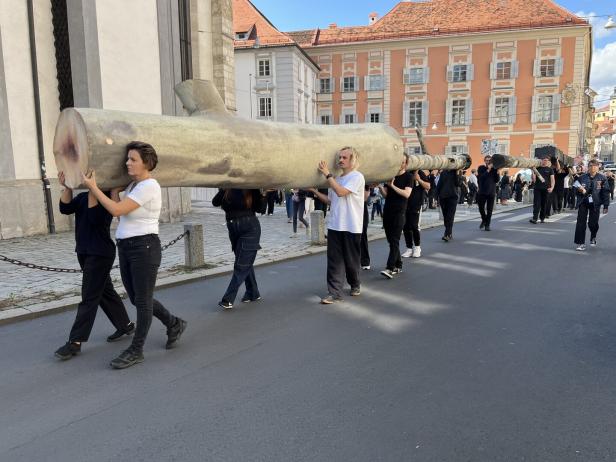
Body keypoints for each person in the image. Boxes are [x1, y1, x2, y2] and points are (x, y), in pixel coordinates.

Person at [81, 141, 187, 369]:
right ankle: (174, 323)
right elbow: (124, 216)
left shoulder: (149, 186)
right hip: (127, 247)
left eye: (133, 159)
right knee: (137, 298)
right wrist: (116, 192)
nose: (127, 163)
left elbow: (117, 211)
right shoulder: (132, 187)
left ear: (146, 163)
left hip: (144, 248)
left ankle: (136, 349)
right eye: (127, 158)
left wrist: (93, 187)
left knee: (142, 302)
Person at [54, 172, 134, 360]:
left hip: (100, 254)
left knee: (89, 297)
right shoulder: (83, 197)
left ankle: (75, 342)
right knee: (105, 291)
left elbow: (94, 218)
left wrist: (93, 188)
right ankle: (125, 325)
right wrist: (67, 187)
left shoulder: (106, 199)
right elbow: (64, 209)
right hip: (84, 252)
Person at [309, 147, 365, 304]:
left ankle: (355, 283)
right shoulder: (336, 179)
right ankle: (334, 293)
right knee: (334, 260)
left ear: (353, 160)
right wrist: (315, 191)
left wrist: (327, 174)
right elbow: (331, 200)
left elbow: (341, 192)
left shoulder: (357, 177)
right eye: (340, 157)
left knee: (351, 260)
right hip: (335, 224)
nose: (341, 160)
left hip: (351, 225)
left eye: (345, 157)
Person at [212, 188, 265, 307]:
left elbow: (261, 209)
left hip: (250, 229)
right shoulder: (228, 188)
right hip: (233, 229)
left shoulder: (252, 188)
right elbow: (215, 202)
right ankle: (253, 293)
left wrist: (263, 195)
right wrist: (222, 189)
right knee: (244, 261)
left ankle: (228, 299)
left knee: (241, 265)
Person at [379, 157, 412, 279]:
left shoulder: (409, 177)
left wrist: (392, 186)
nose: (400, 164)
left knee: (394, 240)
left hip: (399, 213)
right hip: (388, 211)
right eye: (399, 161)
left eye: (403, 162)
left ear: (406, 163)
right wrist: (381, 187)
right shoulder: (390, 175)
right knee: (391, 241)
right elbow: (386, 195)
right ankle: (398, 265)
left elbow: (407, 194)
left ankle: (390, 268)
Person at [573, 159, 610, 251]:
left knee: (593, 223)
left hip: (595, 203)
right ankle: (580, 243)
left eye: (594, 166)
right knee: (580, 223)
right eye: (590, 165)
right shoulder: (582, 177)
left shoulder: (602, 178)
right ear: (588, 167)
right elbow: (575, 187)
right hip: (583, 202)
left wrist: (606, 206)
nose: (592, 167)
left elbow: (605, 192)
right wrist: (579, 190)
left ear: (598, 167)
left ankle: (593, 236)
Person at [402, 169, 430, 258]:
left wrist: (419, 179)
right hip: (405, 203)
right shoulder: (405, 173)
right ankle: (409, 248)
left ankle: (417, 247)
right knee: (405, 226)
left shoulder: (420, 173)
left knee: (414, 226)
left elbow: (428, 186)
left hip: (416, 204)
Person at [436, 168, 461, 241]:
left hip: (453, 197)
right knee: (446, 216)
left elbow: (458, 184)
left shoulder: (456, 173)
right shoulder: (443, 172)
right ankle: (449, 232)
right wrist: (435, 197)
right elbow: (439, 185)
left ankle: (447, 234)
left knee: (450, 216)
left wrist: (457, 173)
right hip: (443, 197)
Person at [476, 155, 500, 231]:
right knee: (481, 208)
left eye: (489, 160)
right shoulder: (481, 168)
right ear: (484, 161)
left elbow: (496, 180)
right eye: (486, 160)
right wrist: (488, 170)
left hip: (491, 192)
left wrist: (497, 173)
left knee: (489, 210)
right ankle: (484, 219)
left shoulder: (494, 169)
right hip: (482, 191)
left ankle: (487, 225)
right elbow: (481, 178)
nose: (488, 161)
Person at [529, 157, 555, 224]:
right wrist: (533, 171)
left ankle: (542, 218)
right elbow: (534, 180)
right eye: (544, 160)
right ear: (541, 161)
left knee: (544, 204)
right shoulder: (537, 169)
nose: (545, 161)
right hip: (537, 188)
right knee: (536, 204)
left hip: (546, 189)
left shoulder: (550, 169)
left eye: (546, 160)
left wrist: (552, 188)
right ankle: (535, 218)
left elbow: (552, 180)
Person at [360, 185, 371, 270]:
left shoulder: (361, 179)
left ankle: (365, 261)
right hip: (349, 208)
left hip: (361, 209)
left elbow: (366, 196)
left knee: (363, 236)